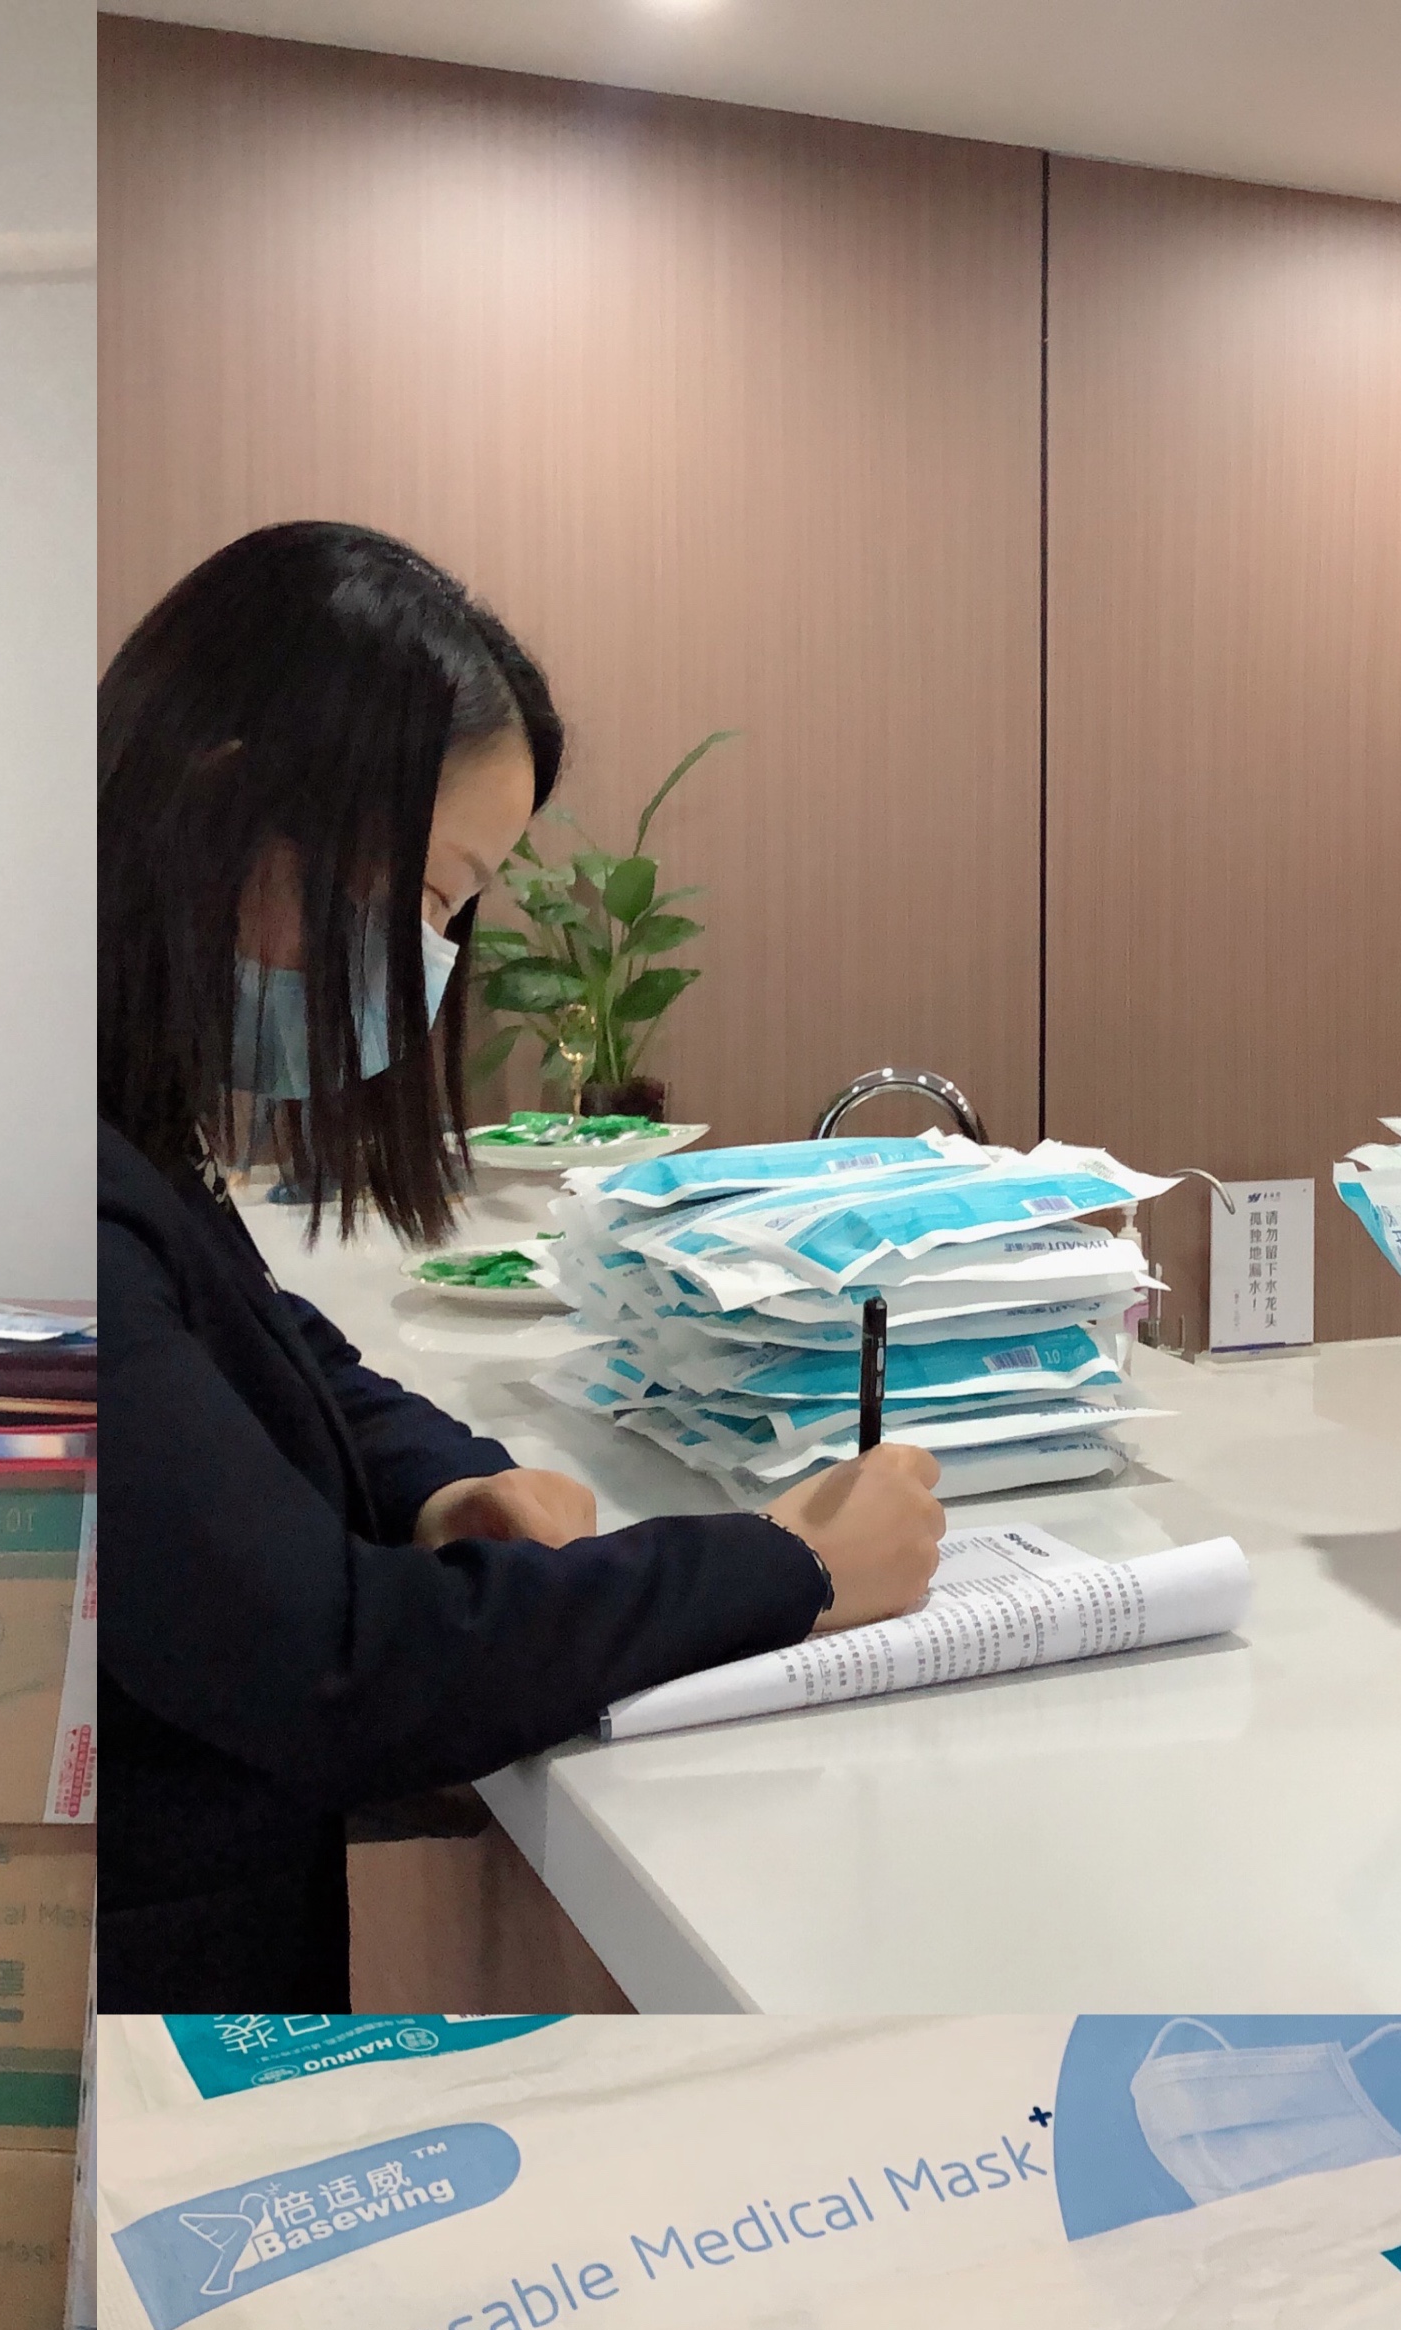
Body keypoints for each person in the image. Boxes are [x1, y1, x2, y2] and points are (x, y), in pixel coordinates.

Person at [99, 522, 942, 2012]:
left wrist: (442, 1481)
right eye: (431, 898)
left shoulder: (122, 1131)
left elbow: (260, 1343)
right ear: (231, 811)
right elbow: (340, 1666)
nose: (434, 961)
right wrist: (791, 1567)